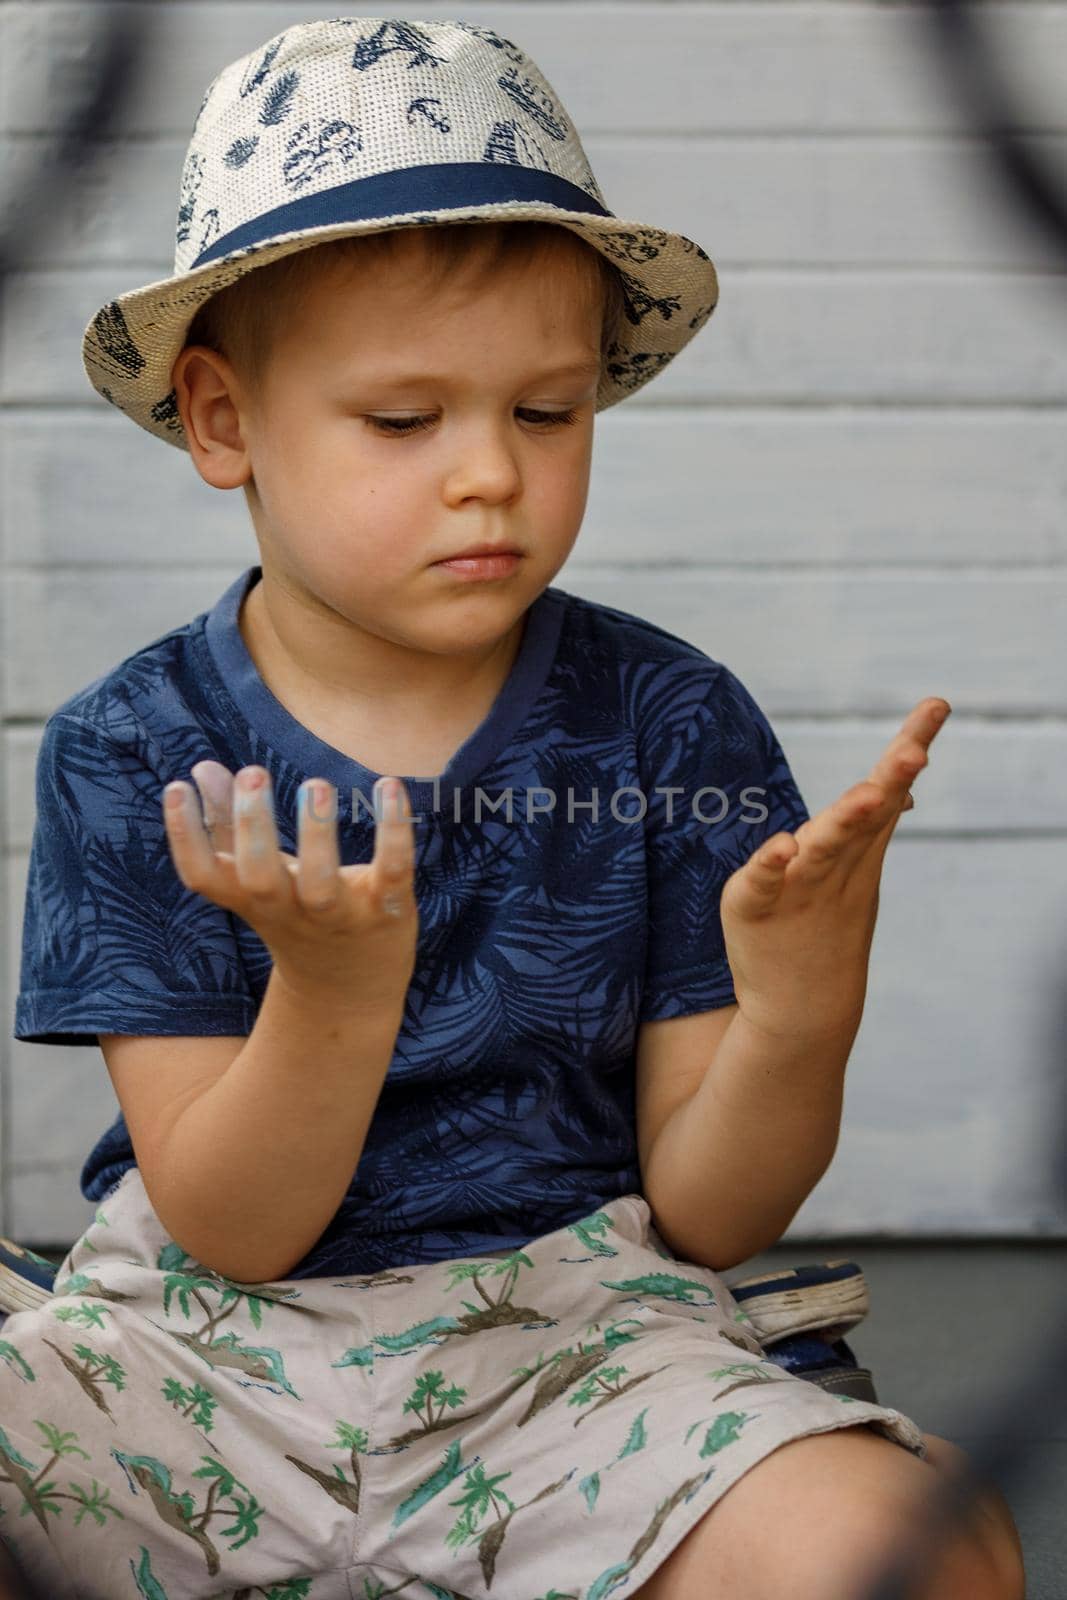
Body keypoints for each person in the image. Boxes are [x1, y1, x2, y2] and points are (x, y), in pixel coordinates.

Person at [1, 16, 1024, 1600]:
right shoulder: (135, 746)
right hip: (196, 1364)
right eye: (404, 422)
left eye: (547, 413)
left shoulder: (664, 720)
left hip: (569, 1352)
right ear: (221, 422)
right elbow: (231, 1227)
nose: (491, 473)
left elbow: (709, 1208)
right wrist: (337, 993)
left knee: (923, 1545)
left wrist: (802, 1010)